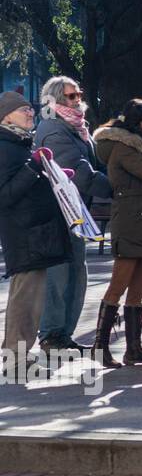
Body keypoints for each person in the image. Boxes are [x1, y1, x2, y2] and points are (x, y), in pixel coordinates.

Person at [92, 99, 142, 366]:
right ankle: (100, 346)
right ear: (140, 123)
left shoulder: (137, 146)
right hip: (130, 221)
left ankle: (134, 348)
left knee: (137, 287)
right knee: (119, 283)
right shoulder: (124, 148)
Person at [34, 76, 110, 353]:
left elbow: (93, 163)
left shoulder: (76, 128)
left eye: (78, 94)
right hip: (58, 213)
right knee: (61, 275)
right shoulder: (55, 130)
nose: (77, 100)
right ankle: (52, 335)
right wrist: (116, 186)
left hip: (73, 213)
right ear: (55, 101)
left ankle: (62, 334)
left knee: (75, 272)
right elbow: (79, 173)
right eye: (70, 96)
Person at [0, 91, 73, 365]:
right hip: (24, 233)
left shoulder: (17, 142)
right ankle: (14, 357)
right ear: (5, 116)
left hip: (34, 230)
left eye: (30, 109)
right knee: (25, 298)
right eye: (22, 110)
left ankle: (17, 353)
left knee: (31, 297)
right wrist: (34, 167)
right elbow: (5, 194)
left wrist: (53, 178)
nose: (30, 113)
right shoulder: (5, 146)